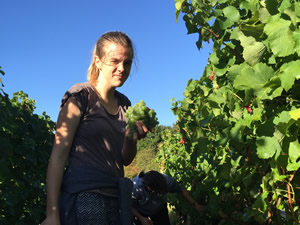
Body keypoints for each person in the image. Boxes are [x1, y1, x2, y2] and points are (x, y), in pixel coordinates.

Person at [41, 31, 150, 225]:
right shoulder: (80, 97)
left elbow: (125, 160)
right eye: (114, 61)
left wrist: (130, 138)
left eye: (127, 63)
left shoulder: (126, 105)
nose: (122, 68)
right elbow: (58, 156)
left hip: (117, 197)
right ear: (98, 61)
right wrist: (52, 214)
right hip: (85, 194)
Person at [131, 170, 204, 225]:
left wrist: (195, 204)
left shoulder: (167, 182)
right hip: (140, 211)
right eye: (158, 192)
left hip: (159, 209)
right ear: (149, 188)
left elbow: (181, 190)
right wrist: (141, 218)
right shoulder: (135, 187)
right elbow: (129, 206)